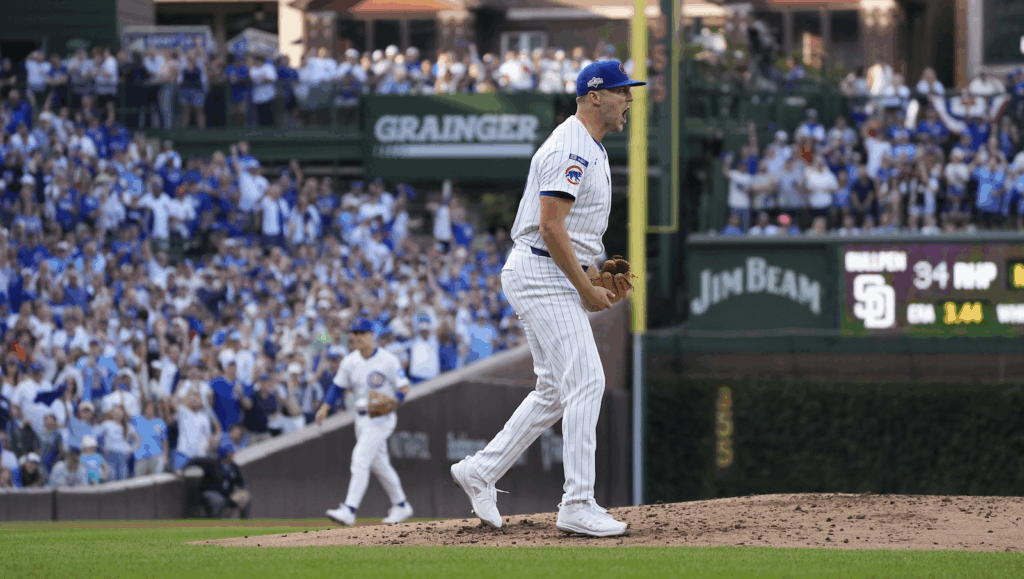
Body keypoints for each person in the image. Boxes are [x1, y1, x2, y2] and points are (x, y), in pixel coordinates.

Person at [449, 60, 642, 538]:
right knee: (588, 382)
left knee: (556, 390)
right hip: (541, 272)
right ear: (595, 96)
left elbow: (566, 233)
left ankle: (480, 471)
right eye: (622, 92)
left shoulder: (590, 146)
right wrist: (586, 288)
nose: (630, 101)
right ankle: (577, 503)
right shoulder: (571, 146)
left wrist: (594, 272)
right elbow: (551, 225)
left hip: (545, 267)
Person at [316, 317, 413, 527]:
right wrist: (324, 408)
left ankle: (349, 510)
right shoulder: (350, 361)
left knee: (360, 458)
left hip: (381, 418)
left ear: (372, 335)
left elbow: (404, 387)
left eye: (361, 333)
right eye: (354, 333)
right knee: (381, 466)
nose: (357, 336)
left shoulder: (388, 360)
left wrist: (397, 400)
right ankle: (402, 504)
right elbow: (336, 387)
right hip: (361, 418)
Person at [181, 440, 251, 519]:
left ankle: (244, 523)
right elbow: (195, 460)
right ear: (226, 454)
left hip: (227, 495)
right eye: (231, 453)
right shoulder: (212, 463)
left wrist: (243, 490)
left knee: (245, 496)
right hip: (210, 492)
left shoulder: (233, 467)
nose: (233, 454)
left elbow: (241, 482)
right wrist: (182, 469)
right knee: (218, 501)